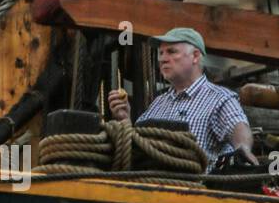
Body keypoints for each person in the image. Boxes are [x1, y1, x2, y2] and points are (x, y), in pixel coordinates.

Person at [106, 27, 257, 164]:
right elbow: (139, 144)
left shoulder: (219, 99)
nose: (162, 59)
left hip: (195, 190)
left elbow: (237, 126)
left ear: (195, 56)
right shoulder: (159, 103)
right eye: (161, 53)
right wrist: (124, 119)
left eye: (171, 52)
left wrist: (243, 149)